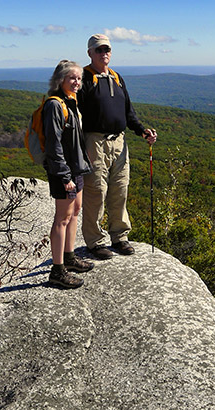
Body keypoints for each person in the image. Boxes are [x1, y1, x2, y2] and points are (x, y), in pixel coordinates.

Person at [78, 34, 157, 259]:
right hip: (95, 141)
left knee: (120, 189)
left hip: (119, 141)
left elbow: (128, 112)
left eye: (107, 49)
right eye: (99, 50)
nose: (104, 53)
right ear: (90, 53)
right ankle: (95, 241)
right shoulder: (84, 78)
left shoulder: (116, 77)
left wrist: (142, 131)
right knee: (96, 191)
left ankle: (120, 236)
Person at [44, 60, 94, 288]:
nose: (76, 82)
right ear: (60, 80)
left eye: (79, 78)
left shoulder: (71, 102)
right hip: (63, 172)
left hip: (76, 169)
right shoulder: (54, 105)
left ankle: (69, 256)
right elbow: (53, 145)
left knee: (75, 212)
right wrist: (64, 176)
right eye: (72, 78)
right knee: (62, 219)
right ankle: (57, 270)